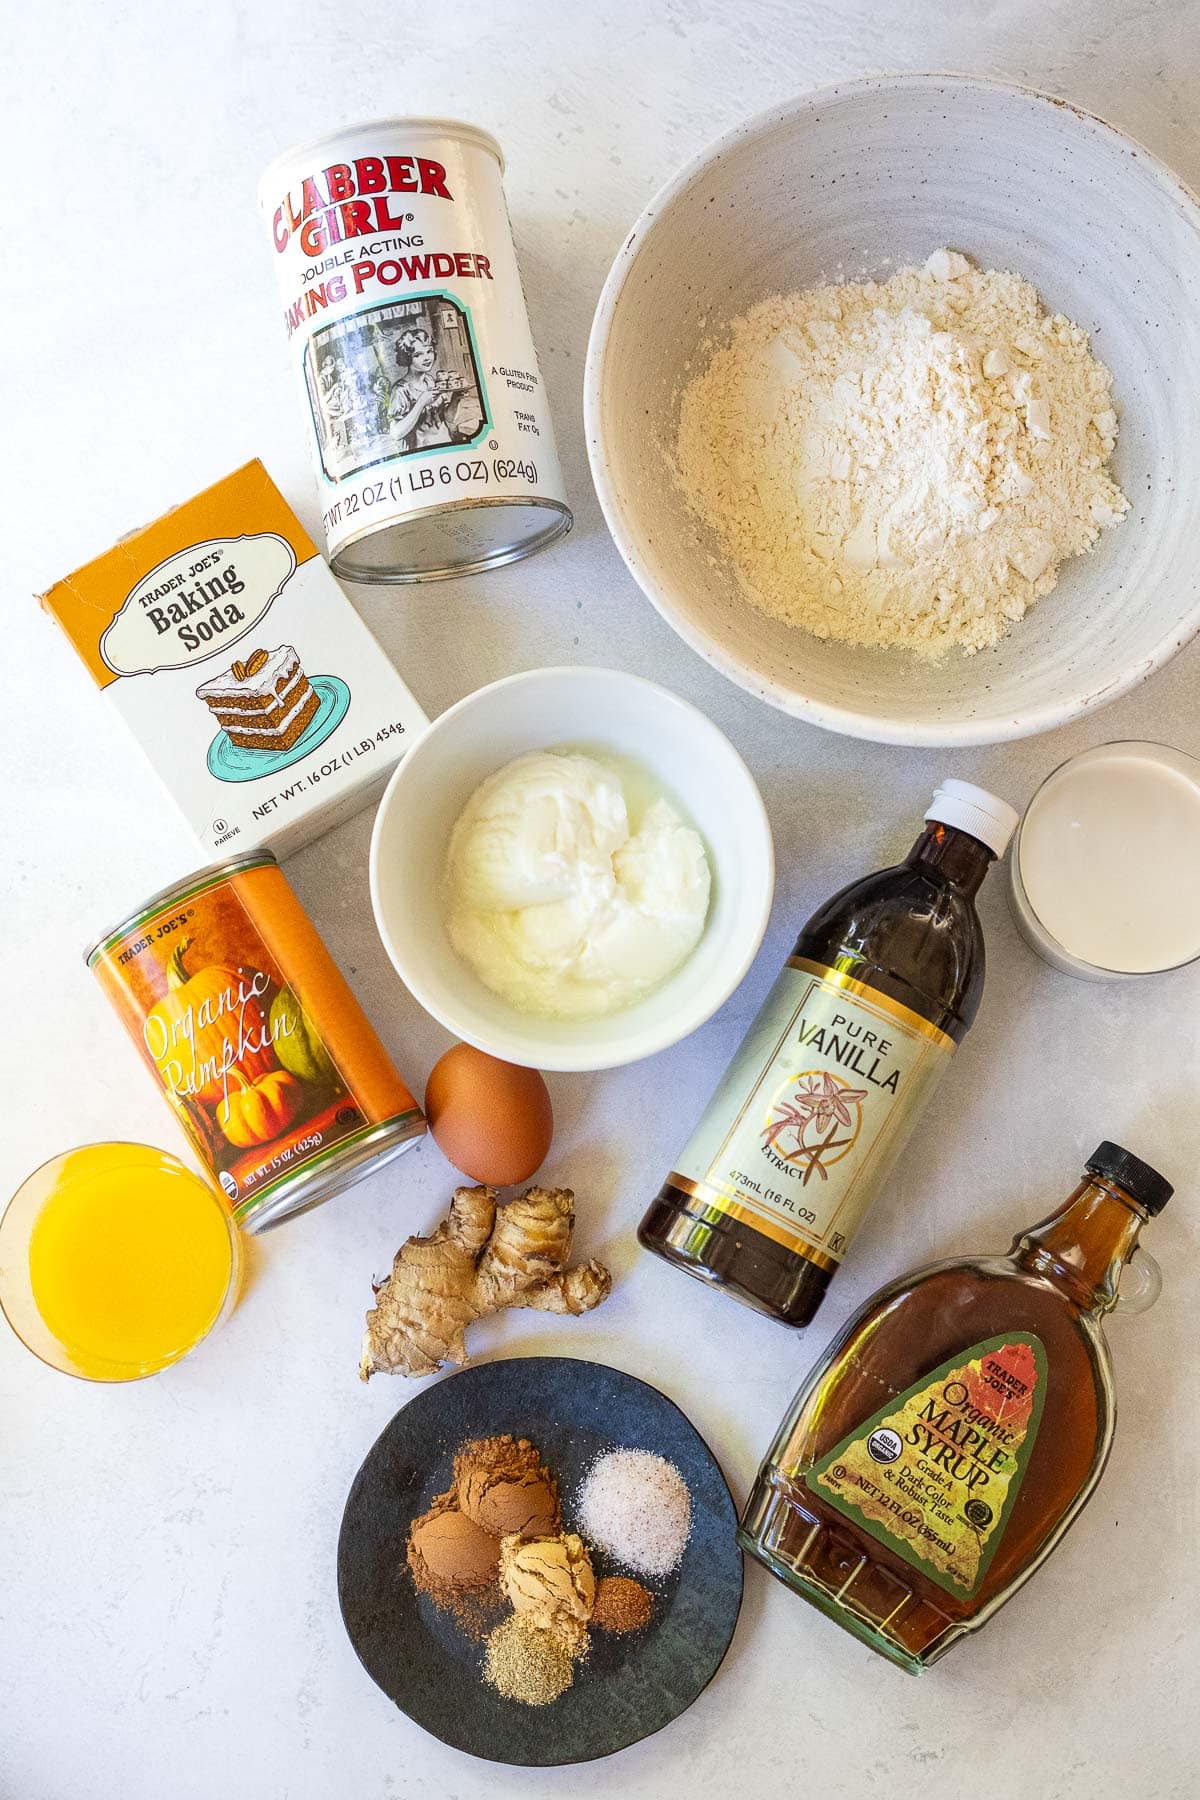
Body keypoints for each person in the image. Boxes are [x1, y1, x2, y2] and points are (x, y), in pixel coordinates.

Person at [388, 328, 455, 451]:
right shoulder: (401, 390)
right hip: (422, 450)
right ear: (407, 358)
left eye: (429, 351)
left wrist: (456, 397)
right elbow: (396, 433)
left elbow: (446, 417)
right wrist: (421, 402)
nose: (427, 358)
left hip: (445, 441)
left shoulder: (430, 380)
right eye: (418, 355)